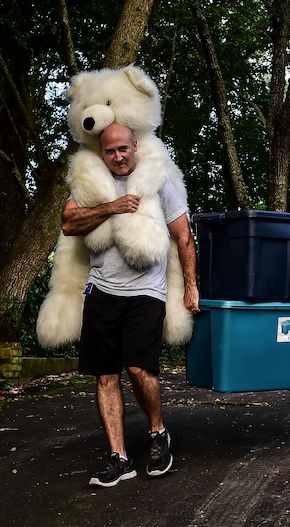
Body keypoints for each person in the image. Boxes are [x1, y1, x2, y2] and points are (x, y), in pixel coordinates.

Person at [61, 122, 200, 487]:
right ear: (102, 153)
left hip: (145, 292)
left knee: (139, 369)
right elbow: (69, 223)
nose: (118, 156)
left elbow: (184, 237)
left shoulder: (158, 181)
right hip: (101, 291)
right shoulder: (94, 185)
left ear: (135, 146)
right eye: (110, 151)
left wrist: (191, 287)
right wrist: (113, 206)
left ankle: (157, 432)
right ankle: (119, 458)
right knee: (105, 375)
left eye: (124, 149)